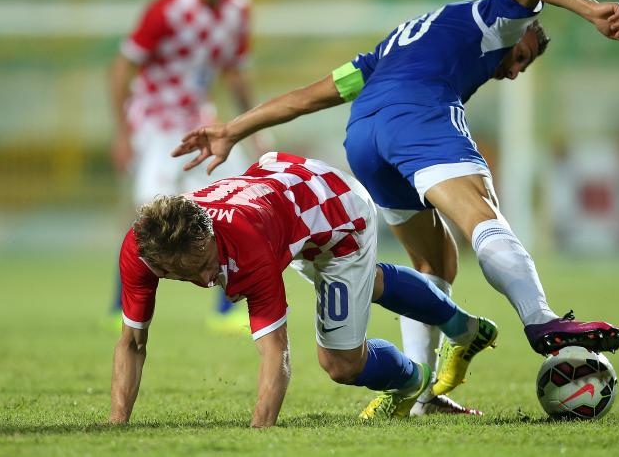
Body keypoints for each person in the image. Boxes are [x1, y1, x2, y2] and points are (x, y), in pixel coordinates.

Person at [172, 0, 619, 413]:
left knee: (435, 260)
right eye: (522, 58)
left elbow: (308, 97)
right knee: (481, 213)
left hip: (365, 136)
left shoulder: (390, 48)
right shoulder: (490, 20)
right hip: (418, 114)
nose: (515, 70)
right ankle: (541, 318)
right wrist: (591, 8)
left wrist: (233, 128)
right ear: (523, 33)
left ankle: (422, 394)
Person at [110, 152, 497, 426]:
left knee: (340, 363)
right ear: (159, 265)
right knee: (368, 283)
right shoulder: (141, 247)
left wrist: (260, 433)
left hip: (339, 212)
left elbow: (275, 351)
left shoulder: (247, 250)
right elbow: (132, 342)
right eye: (195, 272)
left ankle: (414, 383)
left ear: (208, 231)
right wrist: (117, 426)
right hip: (286, 190)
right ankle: (465, 328)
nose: (212, 277)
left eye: (211, 262)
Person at [108, 0, 258, 332]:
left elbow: (236, 75)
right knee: (149, 210)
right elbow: (122, 67)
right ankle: (119, 307)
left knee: (234, 198)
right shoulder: (169, 9)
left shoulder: (238, 9)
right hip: (156, 119)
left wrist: (254, 128)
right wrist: (121, 133)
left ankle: (227, 309)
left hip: (198, 120)